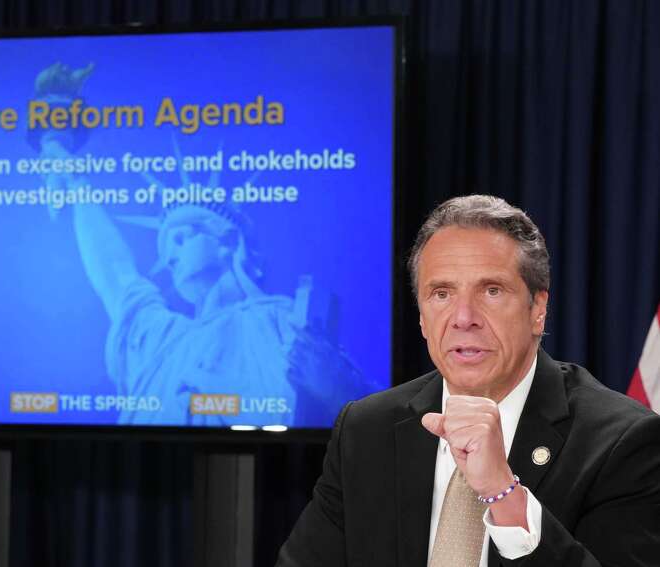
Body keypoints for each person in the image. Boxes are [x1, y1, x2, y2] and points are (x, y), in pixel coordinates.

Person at [277, 195, 660, 566]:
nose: (463, 318)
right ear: (422, 317)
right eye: (441, 293)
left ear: (538, 310)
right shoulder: (366, 430)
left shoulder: (620, 443)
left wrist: (503, 493)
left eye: (491, 291)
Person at [29, 63, 361, 426]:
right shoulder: (161, 338)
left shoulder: (284, 321)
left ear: (227, 241)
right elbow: (115, 270)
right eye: (166, 250)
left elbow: (379, 418)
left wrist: (338, 388)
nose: (170, 258)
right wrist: (62, 155)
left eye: (181, 239)